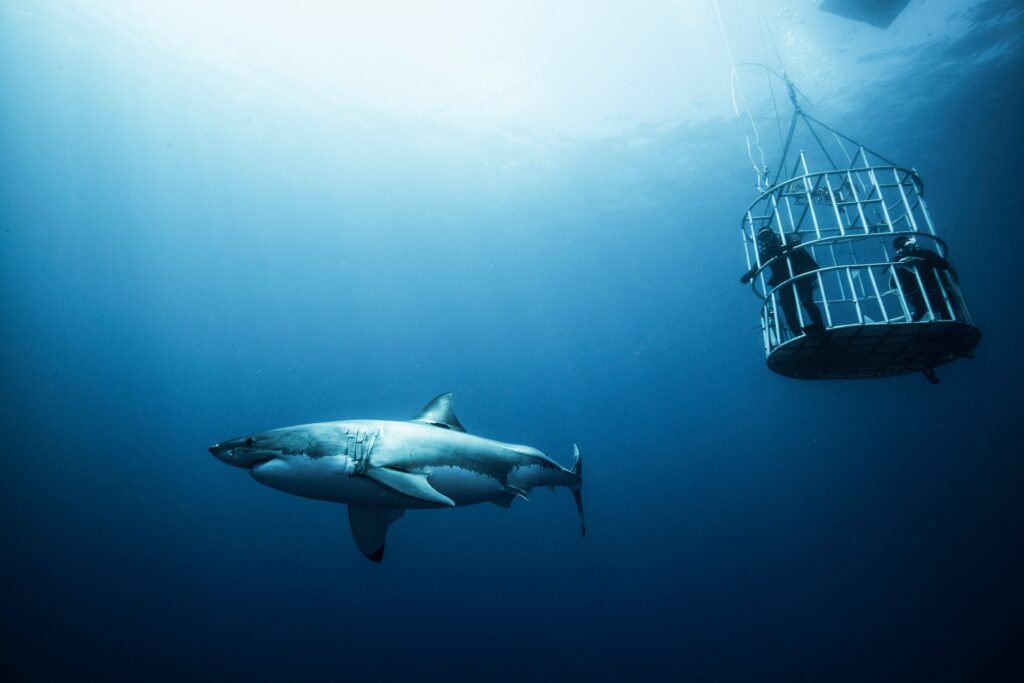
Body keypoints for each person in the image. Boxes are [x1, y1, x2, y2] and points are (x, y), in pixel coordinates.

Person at [740, 228, 825, 338]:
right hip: (783, 281)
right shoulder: (766, 251)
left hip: (799, 275)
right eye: (763, 237)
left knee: (807, 301)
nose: (766, 239)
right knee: (788, 311)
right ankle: (798, 335)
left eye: (767, 235)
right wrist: (749, 274)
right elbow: (756, 266)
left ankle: (819, 326)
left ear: (772, 234)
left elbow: (797, 242)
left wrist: (786, 247)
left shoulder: (785, 239)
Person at [890, 234, 957, 322]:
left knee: (945, 311)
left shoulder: (925, 254)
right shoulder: (898, 263)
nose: (903, 248)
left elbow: (944, 264)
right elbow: (893, 284)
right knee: (921, 312)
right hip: (918, 297)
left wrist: (922, 261)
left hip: (937, 292)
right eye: (900, 247)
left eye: (904, 244)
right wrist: (900, 267)